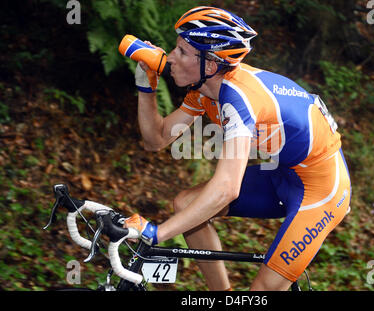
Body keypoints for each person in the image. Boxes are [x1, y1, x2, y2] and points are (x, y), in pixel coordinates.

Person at [124, 6, 352, 291]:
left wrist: (157, 233)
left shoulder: (238, 98)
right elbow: (156, 140)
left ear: (209, 65)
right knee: (185, 204)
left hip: (323, 190)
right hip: (282, 173)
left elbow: (227, 189)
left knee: (262, 291)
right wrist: (146, 85)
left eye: (182, 51)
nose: (170, 57)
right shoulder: (205, 90)